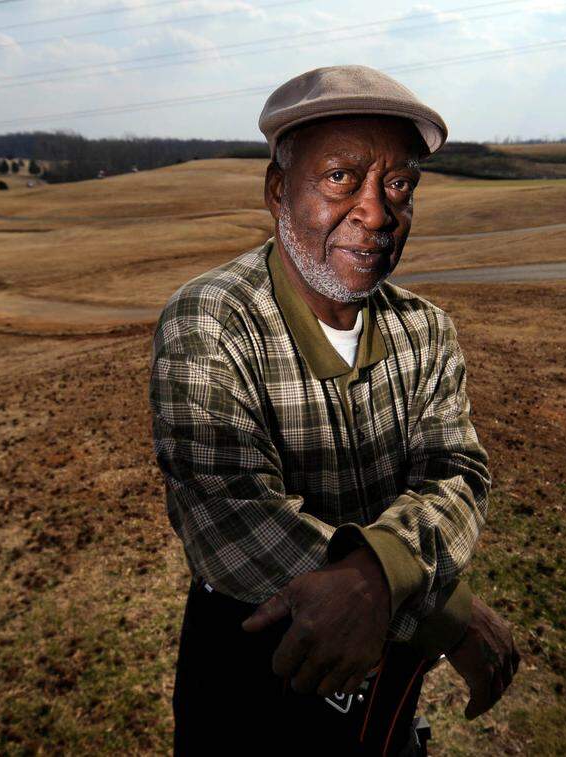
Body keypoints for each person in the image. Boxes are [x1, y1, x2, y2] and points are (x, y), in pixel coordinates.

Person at [150, 65, 519, 755]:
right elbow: (231, 522)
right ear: (277, 191)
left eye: (399, 184)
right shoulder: (212, 320)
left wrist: (376, 582)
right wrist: (445, 613)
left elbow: (458, 477)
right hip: (248, 681)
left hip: (381, 693)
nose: (376, 213)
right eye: (341, 178)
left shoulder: (426, 330)